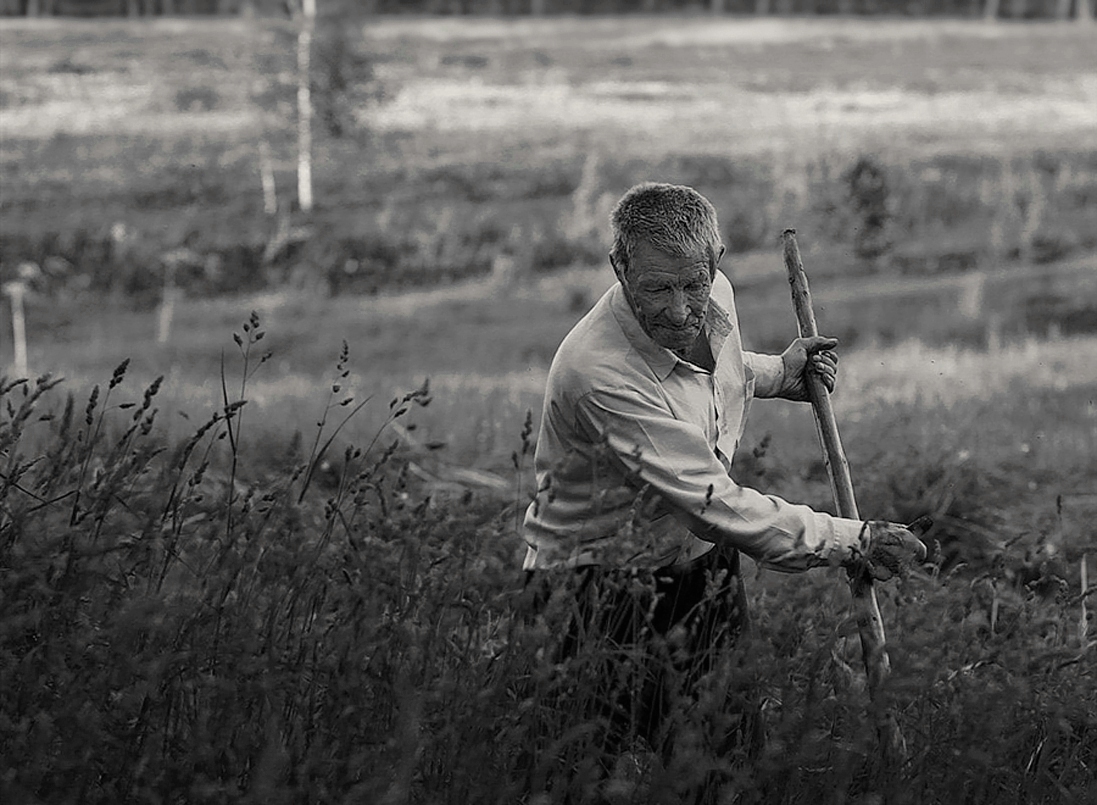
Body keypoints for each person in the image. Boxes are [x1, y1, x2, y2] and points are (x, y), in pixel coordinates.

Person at [520, 182, 926, 796]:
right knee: (574, 779)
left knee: (728, 769)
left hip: (698, 574)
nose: (681, 309)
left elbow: (713, 373)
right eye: (657, 288)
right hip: (590, 593)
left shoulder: (715, 297)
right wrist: (854, 540)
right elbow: (711, 504)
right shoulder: (597, 375)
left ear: (716, 260)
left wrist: (779, 372)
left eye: (693, 283)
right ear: (619, 268)